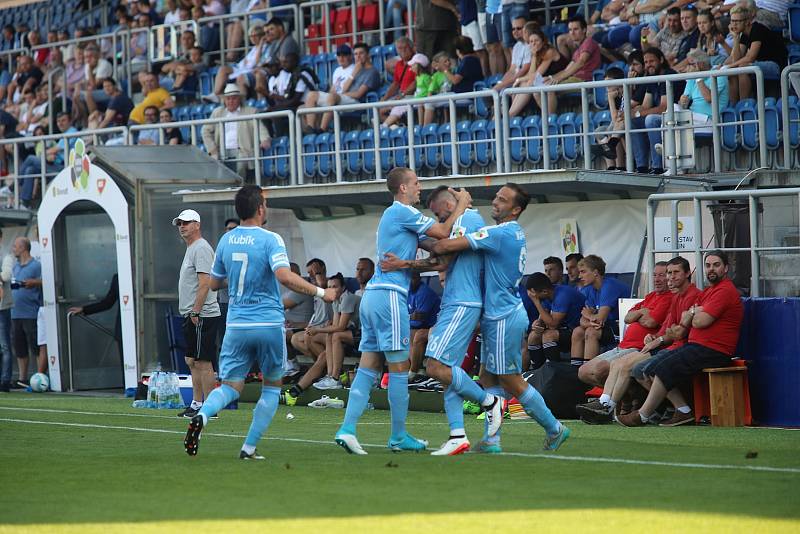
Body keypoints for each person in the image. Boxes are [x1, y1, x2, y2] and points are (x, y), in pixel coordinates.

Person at [184, 185, 336, 459]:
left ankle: (202, 416)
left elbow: (215, 283)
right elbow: (285, 277)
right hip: (267, 324)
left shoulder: (226, 241)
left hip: (237, 326)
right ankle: (248, 448)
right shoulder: (271, 239)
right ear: (261, 208)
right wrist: (323, 293)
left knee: (230, 387)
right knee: (271, 387)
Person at [334, 167, 471, 455]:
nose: (420, 187)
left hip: (373, 296)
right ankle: (398, 436)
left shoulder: (396, 218)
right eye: (416, 183)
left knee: (368, 365)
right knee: (400, 367)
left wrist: (455, 245)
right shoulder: (402, 211)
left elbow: (438, 247)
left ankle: (347, 429)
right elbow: (442, 232)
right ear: (403, 189)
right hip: (390, 297)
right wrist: (462, 204)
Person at [428, 183, 571, 452]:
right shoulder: (509, 233)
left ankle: (555, 428)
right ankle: (492, 440)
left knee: (510, 380)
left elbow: (445, 245)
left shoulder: (499, 234)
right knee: (489, 377)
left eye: (502, 200)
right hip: (498, 314)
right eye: (496, 197)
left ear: (516, 209)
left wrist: (419, 232)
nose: (495, 202)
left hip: (504, 315)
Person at [379, 185, 487, 454]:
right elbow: (439, 256)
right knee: (446, 369)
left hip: (465, 301)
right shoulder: (459, 220)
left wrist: (403, 262)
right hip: (454, 300)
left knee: (436, 367)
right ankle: (458, 434)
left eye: (439, 216)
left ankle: (489, 402)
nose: (439, 221)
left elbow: (443, 257)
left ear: (449, 207)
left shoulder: (469, 219)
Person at [617, 250, 744, 426]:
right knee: (649, 368)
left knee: (658, 368)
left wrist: (691, 314)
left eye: (716, 265)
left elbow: (699, 322)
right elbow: (682, 323)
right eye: (708, 265)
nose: (711, 269)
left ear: (726, 268)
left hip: (714, 349)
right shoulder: (709, 292)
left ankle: (644, 414)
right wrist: (692, 314)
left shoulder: (724, 291)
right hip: (697, 346)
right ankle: (681, 411)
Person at [578, 256, 701, 425]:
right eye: (665, 274)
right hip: (657, 344)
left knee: (632, 367)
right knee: (616, 366)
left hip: (674, 347)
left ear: (687, 274)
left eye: (672, 273)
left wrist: (658, 339)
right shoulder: (667, 296)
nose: (666, 278)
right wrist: (655, 335)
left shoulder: (679, 296)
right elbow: (632, 318)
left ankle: (623, 408)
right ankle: (609, 403)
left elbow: (670, 329)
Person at [577, 262, 671, 387]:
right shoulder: (650, 296)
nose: (657, 279)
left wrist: (636, 317)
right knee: (582, 372)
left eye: (661, 275)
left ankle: (617, 398)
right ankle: (624, 396)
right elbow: (627, 318)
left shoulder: (669, 297)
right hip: (623, 345)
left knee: (600, 370)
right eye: (654, 275)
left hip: (639, 347)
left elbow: (650, 322)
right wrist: (642, 312)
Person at [173, 209, 222, 419]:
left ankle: (210, 407)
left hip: (202, 314)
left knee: (203, 361)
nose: (182, 226)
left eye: (186, 222)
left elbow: (205, 283)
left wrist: (196, 309)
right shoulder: (192, 248)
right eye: (179, 223)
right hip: (193, 314)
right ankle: (196, 403)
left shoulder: (201, 248)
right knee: (192, 360)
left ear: (197, 225)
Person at [570, 254, 630, 366]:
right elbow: (582, 321)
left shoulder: (609, 285)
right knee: (577, 331)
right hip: (606, 326)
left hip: (622, 328)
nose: (580, 276)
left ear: (595, 272)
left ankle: (588, 373)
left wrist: (589, 316)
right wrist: (591, 320)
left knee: (591, 332)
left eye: (583, 272)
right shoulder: (590, 289)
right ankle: (575, 371)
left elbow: (599, 318)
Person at [202, 83, 271, 181]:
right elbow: (205, 131)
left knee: (241, 164)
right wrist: (212, 150)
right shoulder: (218, 112)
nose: (231, 101)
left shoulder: (250, 111)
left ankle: (238, 188)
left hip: (243, 150)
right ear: (224, 100)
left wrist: (265, 139)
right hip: (222, 151)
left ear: (239, 99)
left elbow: (260, 128)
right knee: (216, 164)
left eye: (234, 98)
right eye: (228, 99)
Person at [725, 5, 788, 102]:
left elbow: (750, 57)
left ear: (747, 22)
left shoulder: (757, 29)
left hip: (776, 65)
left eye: (737, 21)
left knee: (742, 67)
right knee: (731, 71)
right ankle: (734, 107)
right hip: (760, 64)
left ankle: (744, 104)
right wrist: (735, 39)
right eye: (732, 21)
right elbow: (735, 59)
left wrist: (731, 66)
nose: (734, 25)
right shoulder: (743, 34)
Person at [309, 273, 361, 390]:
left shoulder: (347, 298)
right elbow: (335, 325)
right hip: (356, 332)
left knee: (336, 336)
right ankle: (330, 376)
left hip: (367, 333)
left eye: (335, 286)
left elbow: (340, 327)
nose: (332, 289)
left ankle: (335, 378)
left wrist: (317, 329)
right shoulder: (335, 300)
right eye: (329, 287)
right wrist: (320, 330)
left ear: (343, 288)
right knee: (330, 335)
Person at [525, 272, 586, 370]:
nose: (534, 298)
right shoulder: (547, 294)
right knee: (533, 336)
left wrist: (536, 302)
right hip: (564, 330)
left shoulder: (562, 295)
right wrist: (537, 323)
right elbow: (543, 315)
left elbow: (553, 324)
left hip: (578, 330)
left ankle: (554, 372)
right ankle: (538, 372)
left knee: (549, 335)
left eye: (535, 296)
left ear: (544, 291)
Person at [10, 237, 42, 389]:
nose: (13, 248)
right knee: (20, 346)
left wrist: (34, 282)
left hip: (31, 312)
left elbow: (45, 281)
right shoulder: (15, 267)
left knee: (35, 345)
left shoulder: (36, 265)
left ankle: (41, 376)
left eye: (15, 246)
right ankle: (23, 378)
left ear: (23, 247)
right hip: (15, 312)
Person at [545, 16, 601, 86]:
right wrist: (551, 78)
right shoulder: (577, 51)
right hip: (574, 79)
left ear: (584, 30)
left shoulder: (589, 42)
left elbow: (581, 62)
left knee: (550, 89)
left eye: (576, 29)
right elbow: (566, 70)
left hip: (584, 81)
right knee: (541, 89)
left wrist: (560, 78)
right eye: (570, 30)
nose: (572, 33)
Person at [407, 271, 441, 384]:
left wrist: (407, 318)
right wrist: (410, 317)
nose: (409, 281)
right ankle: (419, 370)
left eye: (412, 278)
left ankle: (413, 373)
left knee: (416, 333)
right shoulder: (407, 291)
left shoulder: (424, 292)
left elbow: (418, 321)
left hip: (436, 327)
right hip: (426, 327)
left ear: (417, 277)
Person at [0, 229, 14, 391]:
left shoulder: (6, 256)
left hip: (2, 307)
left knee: (5, 345)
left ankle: (5, 380)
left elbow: (6, 276)